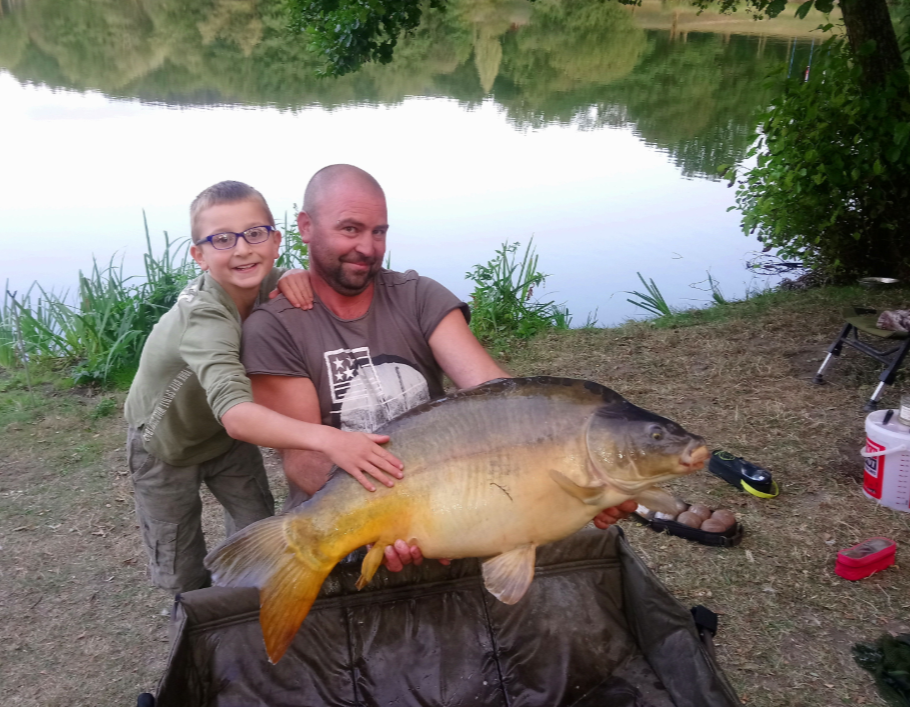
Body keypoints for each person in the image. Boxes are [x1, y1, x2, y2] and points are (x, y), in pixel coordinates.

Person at [241, 165, 635, 572]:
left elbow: (505, 402)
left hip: (450, 509)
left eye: (379, 232)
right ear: (306, 226)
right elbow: (304, 461)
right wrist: (393, 513)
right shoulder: (275, 327)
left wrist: (589, 478)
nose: (368, 247)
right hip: (337, 525)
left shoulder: (419, 298)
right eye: (350, 229)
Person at [123, 181, 406, 595]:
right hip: (166, 444)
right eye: (222, 239)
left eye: (254, 234)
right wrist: (331, 440)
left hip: (225, 440)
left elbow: (236, 421)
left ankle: (243, 605)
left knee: (257, 530)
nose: (242, 249)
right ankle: (192, 616)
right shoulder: (204, 318)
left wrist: (292, 274)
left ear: (276, 241)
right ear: (199, 256)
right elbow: (237, 416)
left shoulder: (266, 282)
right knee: (180, 561)